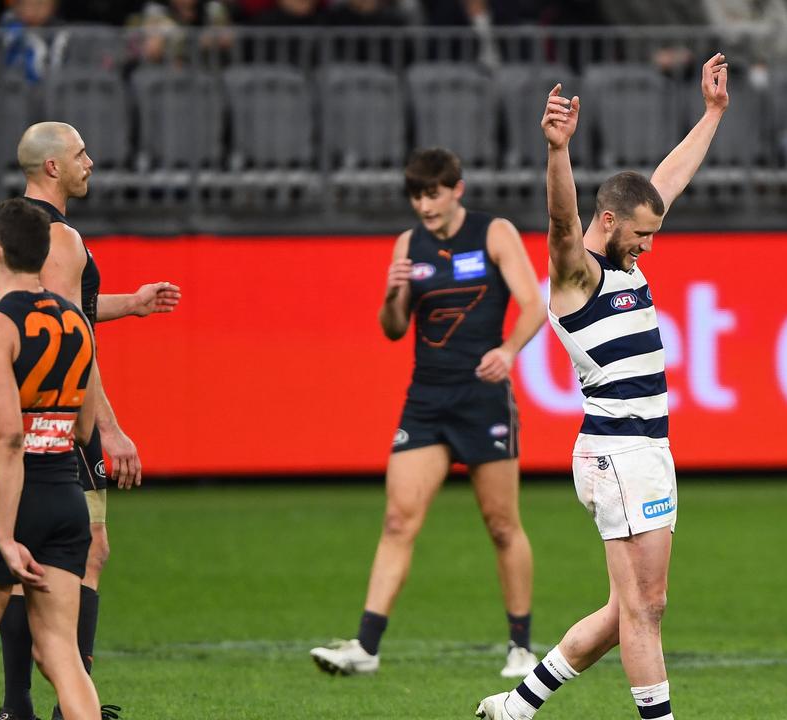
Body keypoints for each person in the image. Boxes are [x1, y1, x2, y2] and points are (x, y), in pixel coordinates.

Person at [474, 52, 728, 720]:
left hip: (647, 451)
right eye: (642, 235)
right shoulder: (578, 274)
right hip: (617, 452)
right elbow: (561, 221)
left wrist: (712, 114)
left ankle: (518, 705)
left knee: (633, 609)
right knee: (645, 610)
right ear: (610, 222)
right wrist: (557, 152)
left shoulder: (626, 246)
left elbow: (667, 178)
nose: (649, 247)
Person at [310, 147, 546, 679]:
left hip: (484, 398)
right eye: (417, 196)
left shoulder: (494, 233)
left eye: (433, 193)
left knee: (502, 525)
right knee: (397, 520)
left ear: (456, 188)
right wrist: (394, 293)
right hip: (427, 399)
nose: (425, 205)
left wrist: (508, 352)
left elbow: (533, 303)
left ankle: (521, 646)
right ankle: (366, 647)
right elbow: (393, 328)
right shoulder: (407, 244)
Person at [0, 122, 181, 720]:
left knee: (66, 551)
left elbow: (66, 310)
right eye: (80, 155)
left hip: (33, 407)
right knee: (78, 550)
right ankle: (40, 705)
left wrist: (128, 304)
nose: (91, 162)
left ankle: (30, 705)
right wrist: (107, 426)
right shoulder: (58, 236)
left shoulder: (28, 230)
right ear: (52, 167)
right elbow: (66, 339)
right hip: (58, 414)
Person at [0, 197, 101, 720]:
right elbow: (86, 426)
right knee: (61, 654)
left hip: (6, 499)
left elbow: (7, 437)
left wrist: (4, 533)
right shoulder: (76, 321)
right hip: (66, 497)